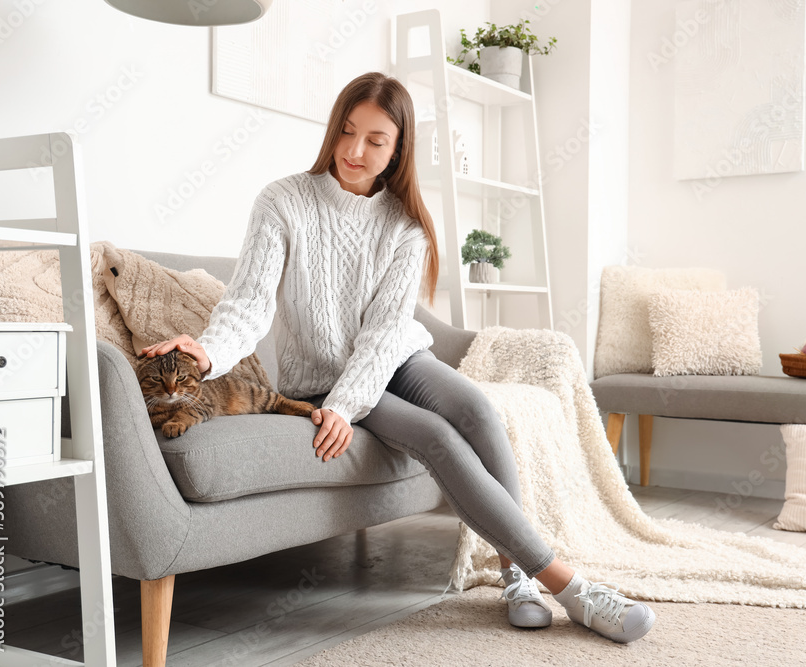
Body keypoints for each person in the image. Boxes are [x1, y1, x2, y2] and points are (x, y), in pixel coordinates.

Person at [140, 71, 655, 644]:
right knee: (437, 438)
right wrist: (207, 352)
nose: (355, 151)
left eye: (375, 140)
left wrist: (350, 401)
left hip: (396, 358)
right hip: (322, 376)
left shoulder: (406, 226)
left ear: (399, 148)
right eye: (347, 131)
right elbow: (249, 306)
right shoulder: (283, 201)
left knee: (479, 411)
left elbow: (386, 335)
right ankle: (570, 587)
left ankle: (516, 576)